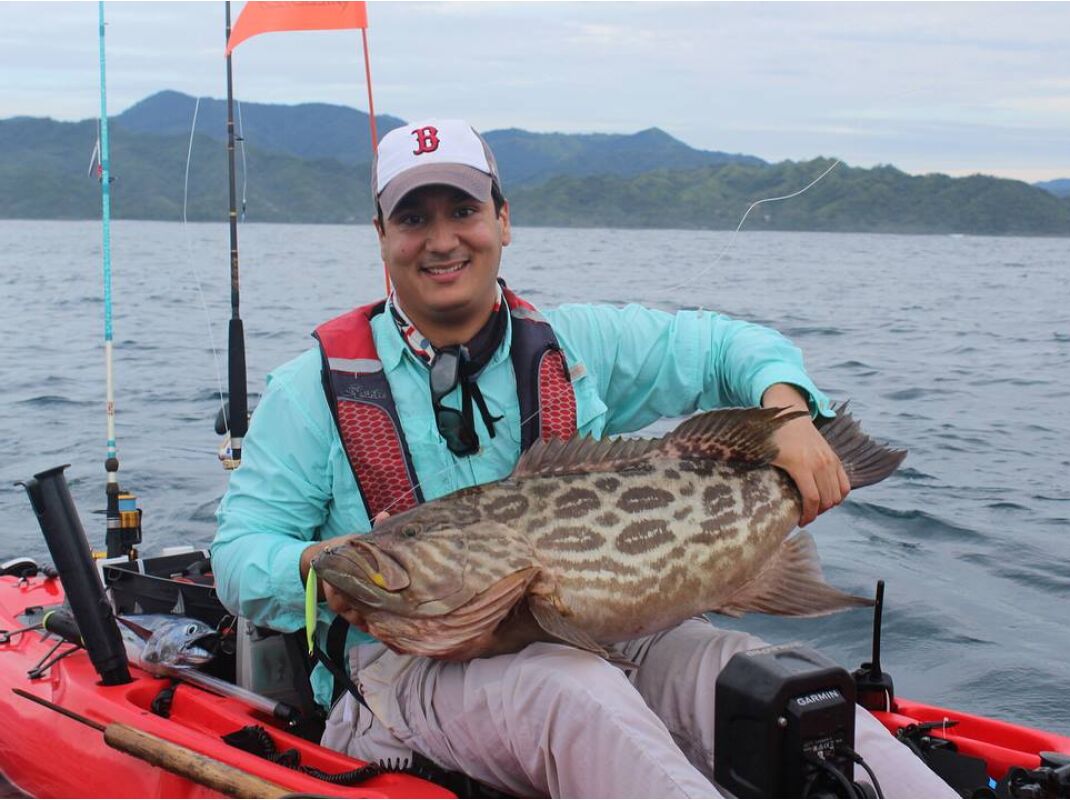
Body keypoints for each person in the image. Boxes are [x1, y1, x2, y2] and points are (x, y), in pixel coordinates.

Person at [212, 118, 953, 798]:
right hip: (399, 675)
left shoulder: (573, 346)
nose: (441, 241)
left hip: (608, 633)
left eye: (463, 211)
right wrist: (312, 566)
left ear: (503, 220)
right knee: (571, 690)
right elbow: (238, 554)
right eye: (413, 219)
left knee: (746, 677)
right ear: (381, 236)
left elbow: (729, 346)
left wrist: (787, 414)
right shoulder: (310, 389)